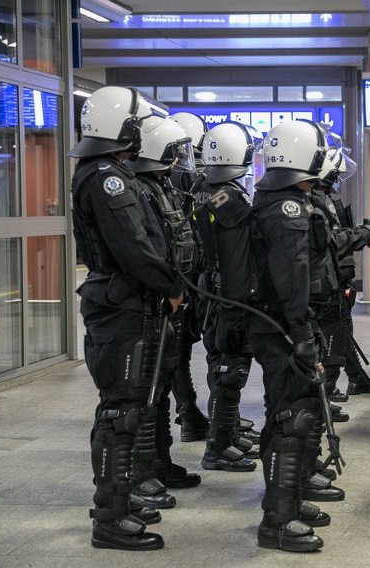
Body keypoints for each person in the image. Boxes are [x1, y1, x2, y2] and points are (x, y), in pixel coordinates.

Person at [69, 85, 180, 550]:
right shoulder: (106, 178)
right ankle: (110, 518)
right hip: (122, 306)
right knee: (120, 412)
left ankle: (120, 499)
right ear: (124, 128)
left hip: (127, 302)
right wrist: (171, 286)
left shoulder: (104, 171)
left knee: (127, 408)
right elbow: (134, 247)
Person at [250, 119, 341, 552]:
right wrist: (302, 333)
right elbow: (292, 278)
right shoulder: (286, 208)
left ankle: (288, 500)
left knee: (293, 414)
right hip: (283, 328)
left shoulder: (277, 198)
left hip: (281, 324)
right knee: (292, 419)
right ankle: (277, 521)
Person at [127, 116, 203, 508]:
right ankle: (141, 472)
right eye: (174, 152)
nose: (180, 160)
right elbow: (146, 251)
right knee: (146, 391)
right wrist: (169, 290)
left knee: (164, 385)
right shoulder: (140, 191)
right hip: (153, 304)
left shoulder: (161, 187)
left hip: (171, 304)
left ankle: (160, 462)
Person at [190, 122, 261, 473]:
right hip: (228, 296)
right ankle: (219, 446)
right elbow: (237, 257)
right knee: (230, 367)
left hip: (208, 290)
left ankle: (228, 434)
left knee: (220, 364)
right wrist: (241, 305)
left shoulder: (204, 187)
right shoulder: (231, 198)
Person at [314, 145, 370, 399]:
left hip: (338, 275)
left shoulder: (327, 197)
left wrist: (366, 234)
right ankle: (327, 392)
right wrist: (366, 232)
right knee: (334, 335)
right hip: (325, 278)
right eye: (334, 175)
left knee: (340, 331)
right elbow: (333, 241)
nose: (336, 181)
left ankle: (353, 381)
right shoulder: (313, 202)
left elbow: (341, 234)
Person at [167, 111, 211, 443]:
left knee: (183, 346)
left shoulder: (180, 182)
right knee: (179, 348)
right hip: (182, 277)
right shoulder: (170, 184)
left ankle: (191, 412)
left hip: (191, 273)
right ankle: (189, 412)